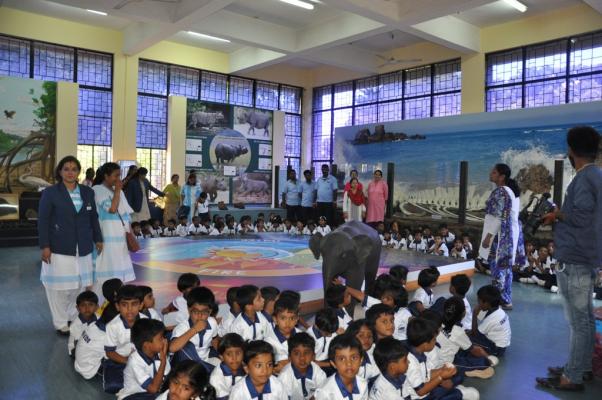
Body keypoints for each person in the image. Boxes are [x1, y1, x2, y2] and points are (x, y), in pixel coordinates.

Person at [536, 126, 601, 392]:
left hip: (575, 257)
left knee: (578, 321)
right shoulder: (596, 175)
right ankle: (581, 367)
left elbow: (582, 217)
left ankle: (572, 376)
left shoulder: (585, 178)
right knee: (585, 319)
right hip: (586, 255)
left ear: (571, 150)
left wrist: (557, 215)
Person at [38, 155, 103, 334]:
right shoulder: (50, 192)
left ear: (78, 172)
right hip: (59, 247)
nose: (70, 172)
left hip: (83, 247)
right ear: (60, 172)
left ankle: (73, 317)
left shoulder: (87, 192)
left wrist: (98, 238)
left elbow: (93, 217)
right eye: (66, 169)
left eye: (74, 169)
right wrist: (45, 246)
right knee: (59, 289)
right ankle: (60, 323)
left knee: (79, 285)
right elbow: (43, 220)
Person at [478, 163, 522, 310]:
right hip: (509, 235)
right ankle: (506, 299)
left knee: (497, 268)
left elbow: (499, 217)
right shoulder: (511, 191)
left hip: (500, 235)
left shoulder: (501, 192)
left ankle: (496, 301)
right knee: (505, 268)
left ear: (502, 177)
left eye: (494, 172)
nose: (491, 174)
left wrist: (488, 236)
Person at [92, 162, 136, 288]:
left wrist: (131, 233)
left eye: (119, 175)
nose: (118, 179)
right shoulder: (97, 190)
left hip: (121, 236)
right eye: (115, 175)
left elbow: (126, 214)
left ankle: (118, 290)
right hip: (107, 235)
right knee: (107, 266)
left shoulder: (119, 192)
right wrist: (117, 191)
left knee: (120, 264)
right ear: (106, 176)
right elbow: (112, 209)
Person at [438, 297, 498, 380]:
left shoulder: (437, 320)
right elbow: (475, 350)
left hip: (436, 356)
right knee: (484, 362)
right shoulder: (458, 331)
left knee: (463, 350)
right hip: (445, 364)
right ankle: (462, 371)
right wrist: (488, 358)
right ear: (464, 313)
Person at [103, 285, 146, 394]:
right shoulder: (112, 326)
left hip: (140, 358)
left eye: (134, 304)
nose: (129, 309)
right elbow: (110, 353)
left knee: (154, 379)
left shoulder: (146, 322)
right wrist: (128, 362)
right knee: (113, 386)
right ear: (117, 306)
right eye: (124, 305)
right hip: (118, 360)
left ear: (141, 305)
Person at [117, 319, 169, 400]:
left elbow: (165, 377)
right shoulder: (135, 362)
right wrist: (163, 362)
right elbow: (153, 389)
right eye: (160, 338)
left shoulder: (159, 353)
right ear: (146, 345)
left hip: (149, 394)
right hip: (132, 396)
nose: (165, 340)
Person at [170, 287, 219, 366]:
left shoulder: (212, 322)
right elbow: (172, 348)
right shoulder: (182, 327)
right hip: (186, 364)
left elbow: (214, 340)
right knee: (187, 346)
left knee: (224, 364)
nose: (199, 316)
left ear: (210, 311)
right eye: (195, 312)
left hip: (205, 360)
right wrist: (194, 329)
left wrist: (222, 354)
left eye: (204, 312)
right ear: (189, 310)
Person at [314, 334, 369, 400]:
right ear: (333, 364)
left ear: (361, 360)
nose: (349, 364)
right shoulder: (325, 392)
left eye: (354, 358)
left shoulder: (363, 384)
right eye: (342, 359)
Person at [278, 332, 327, 400]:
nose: (302, 358)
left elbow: (322, 393)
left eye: (306, 353)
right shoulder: (284, 377)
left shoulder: (319, 373)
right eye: (296, 353)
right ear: (289, 357)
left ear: (313, 356)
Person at [469, 285, 511, 358]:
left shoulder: (492, 319)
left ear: (486, 303)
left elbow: (474, 333)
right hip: (501, 346)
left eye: (479, 301)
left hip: (496, 350)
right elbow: (481, 319)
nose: (478, 304)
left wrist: (474, 314)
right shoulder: (498, 310)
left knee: (465, 340)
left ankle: (488, 357)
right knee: (468, 333)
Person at [264, 296, 301, 372]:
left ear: (297, 319)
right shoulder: (269, 341)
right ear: (275, 319)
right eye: (283, 318)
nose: (288, 322)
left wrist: (287, 362)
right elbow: (271, 367)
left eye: (292, 318)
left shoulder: (301, 335)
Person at [210, 333, 245, 399]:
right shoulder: (216, 378)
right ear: (221, 357)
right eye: (229, 354)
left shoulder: (246, 369)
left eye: (238, 353)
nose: (234, 358)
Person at [68, 290, 99, 356]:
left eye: (91, 305)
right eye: (83, 305)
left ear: (97, 307)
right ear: (77, 308)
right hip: (77, 347)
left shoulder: (99, 318)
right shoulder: (75, 325)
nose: (87, 308)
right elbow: (78, 343)